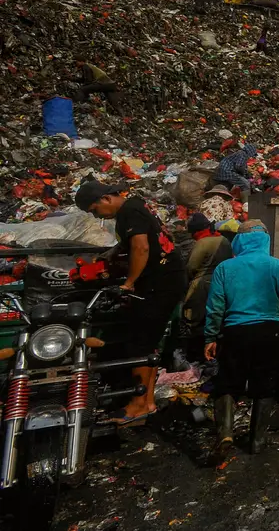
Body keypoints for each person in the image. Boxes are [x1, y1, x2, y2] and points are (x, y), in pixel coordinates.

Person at [75, 181, 187, 426]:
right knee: (147, 344)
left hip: (159, 283)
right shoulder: (135, 207)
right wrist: (113, 252)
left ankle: (137, 405)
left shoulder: (129, 211)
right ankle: (146, 403)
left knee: (139, 344)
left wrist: (129, 283)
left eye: (94, 210)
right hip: (167, 281)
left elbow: (141, 247)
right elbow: (138, 240)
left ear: (106, 199)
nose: (96, 215)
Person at [204, 220, 279, 462]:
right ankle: (257, 442)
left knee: (227, 383)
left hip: (234, 332)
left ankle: (225, 434)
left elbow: (215, 307)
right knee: (264, 384)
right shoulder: (277, 266)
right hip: (268, 332)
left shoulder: (224, 268)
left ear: (239, 241)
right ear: (265, 242)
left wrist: (210, 336)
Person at [183, 213, 232, 337]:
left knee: (196, 319)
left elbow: (192, 266)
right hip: (223, 282)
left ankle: (199, 349)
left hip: (202, 285)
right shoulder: (224, 240)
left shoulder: (202, 242)